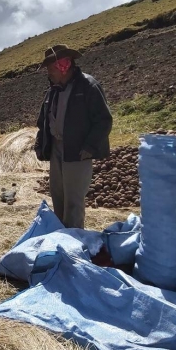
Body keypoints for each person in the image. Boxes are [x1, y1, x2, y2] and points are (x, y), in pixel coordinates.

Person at [34, 44, 112, 229]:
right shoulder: (53, 90)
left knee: (73, 201)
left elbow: (104, 120)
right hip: (57, 149)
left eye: (51, 68)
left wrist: (89, 147)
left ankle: (74, 240)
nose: (49, 73)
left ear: (63, 66)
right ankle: (62, 236)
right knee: (58, 196)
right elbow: (42, 122)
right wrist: (41, 145)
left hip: (78, 150)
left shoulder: (88, 86)